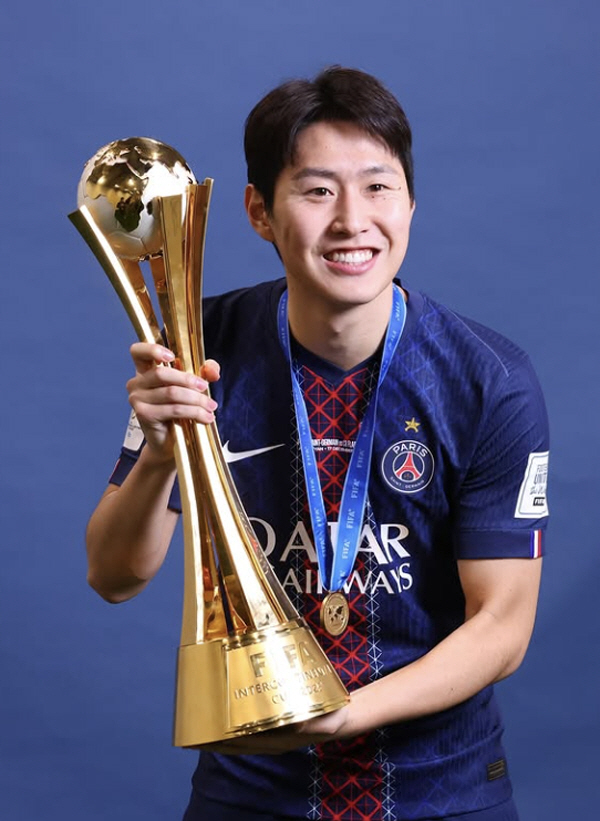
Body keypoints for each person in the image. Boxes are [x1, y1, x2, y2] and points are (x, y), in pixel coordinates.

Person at [86, 67, 550, 821]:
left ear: (411, 203)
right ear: (259, 212)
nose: (352, 221)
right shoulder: (197, 347)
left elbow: (503, 625)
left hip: (442, 791)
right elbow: (114, 575)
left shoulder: (488, 380)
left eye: (378, 187)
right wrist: (163, 454)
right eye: (317, 191)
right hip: (251, 793)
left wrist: (343, 714)